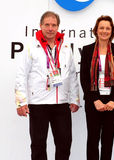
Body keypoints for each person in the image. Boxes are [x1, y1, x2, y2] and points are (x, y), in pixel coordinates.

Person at [15, 11, 80, 160]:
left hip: (61, 104)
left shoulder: (65, 48)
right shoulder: (31, 47)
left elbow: (72, 75)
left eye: (54, 25)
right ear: (40, 26)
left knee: (64, 143)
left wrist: (74, 99)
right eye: (47, 25)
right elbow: (21, 75)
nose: (50, 28)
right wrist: (21, 102)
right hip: (38, 104)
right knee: (38, 145)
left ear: (58, 27)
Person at [80, 15, 114, 160]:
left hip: (112, 103)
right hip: (94, 101)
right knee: (92, 140)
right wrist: (94, 100)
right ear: (96, 30)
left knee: (108, 141)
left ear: (112, 31)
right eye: (101, 28)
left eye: (107, 28)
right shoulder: (87, 50)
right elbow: (84, 79)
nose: (104, 31)